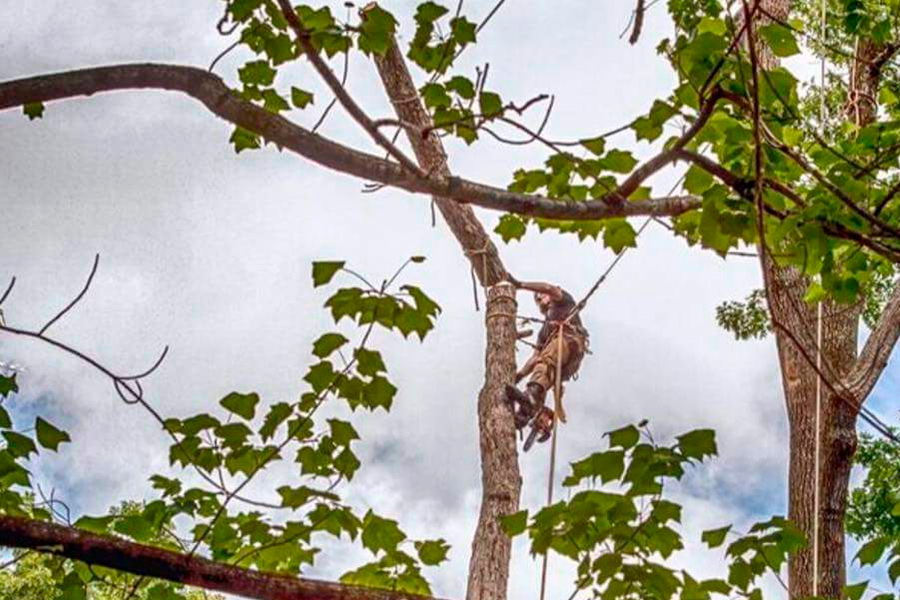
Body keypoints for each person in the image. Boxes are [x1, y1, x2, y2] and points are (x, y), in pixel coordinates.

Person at [505, 279, 589, 451]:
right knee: (542, 367)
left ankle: (531, 400)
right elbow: (535, 358)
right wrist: (519, 376)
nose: (539, 298)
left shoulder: (563, 302)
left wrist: (520, 285)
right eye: (537, 299)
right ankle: (526, 414)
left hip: (571, 344)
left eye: (541, 295)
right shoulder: (544, 332)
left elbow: (549, 288)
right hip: (558, 363)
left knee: (548, 357)